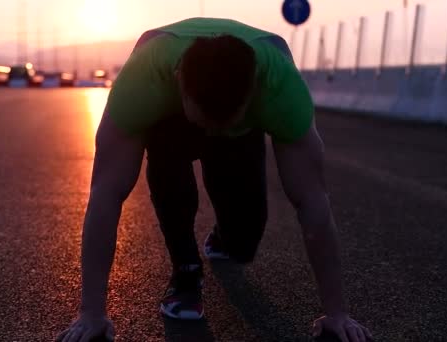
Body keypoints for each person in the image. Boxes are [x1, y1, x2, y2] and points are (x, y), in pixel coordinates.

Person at [56, 17, 372, 342]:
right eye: (205, 121)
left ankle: (224, 235)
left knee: (243, 243)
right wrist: (91, 313)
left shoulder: (280, 90)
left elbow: (312, 200)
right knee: (167, 155)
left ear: (253, 94)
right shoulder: (143, 81)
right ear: (180, 81)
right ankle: (186, 270)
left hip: (241, 123)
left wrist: (337, 314)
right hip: (170, 115)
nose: (209, 133)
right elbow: (107, 191)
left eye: (222, 123)